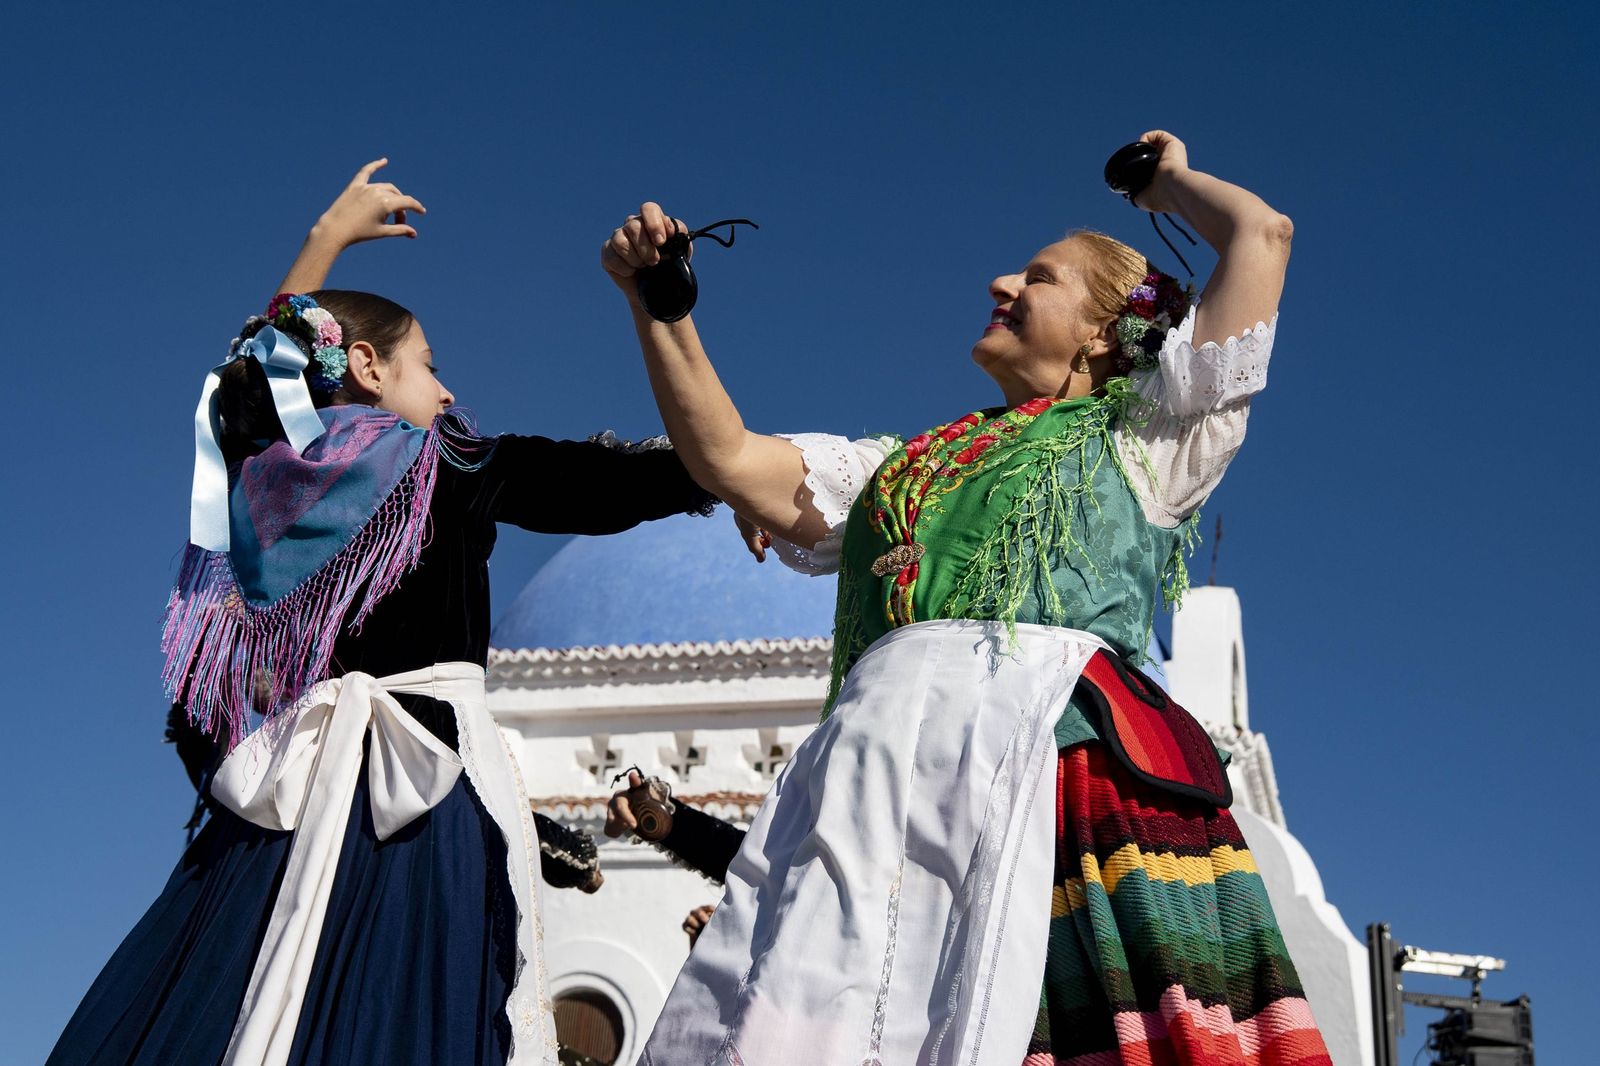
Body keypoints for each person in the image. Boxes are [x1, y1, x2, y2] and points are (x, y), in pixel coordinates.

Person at [601, 132, 1332, 1065]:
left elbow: (1262, 237)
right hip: (869, 782)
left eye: (1040, 277)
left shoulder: (1151, 437)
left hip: (1053, 771)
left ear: (1106, 333)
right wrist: (661, 310)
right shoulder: (893, 471)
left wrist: (1169, 183)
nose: (1001, 283)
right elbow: (733, 459)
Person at [49, 161, 718, 1066]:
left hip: (268, 822)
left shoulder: (257, 493)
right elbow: (597, 482)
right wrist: (741, 477)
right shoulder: (438, 462)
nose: (445, 393)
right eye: (429, 366)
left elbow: (248, 385)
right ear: (365, 365)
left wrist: (325, 235)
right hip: (419, 807)